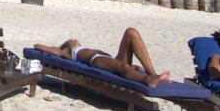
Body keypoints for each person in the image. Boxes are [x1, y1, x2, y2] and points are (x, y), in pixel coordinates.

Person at [34, 28, 172, 87]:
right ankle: (147, 79)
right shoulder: (67, 53)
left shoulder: (79, 48)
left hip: (111, 58)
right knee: (123, 67)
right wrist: (58, 48)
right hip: (96, 60)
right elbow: (37, 45)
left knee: (131, 32)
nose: (74, 38)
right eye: (70, 39)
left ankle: (153, 74)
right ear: (66, 47)